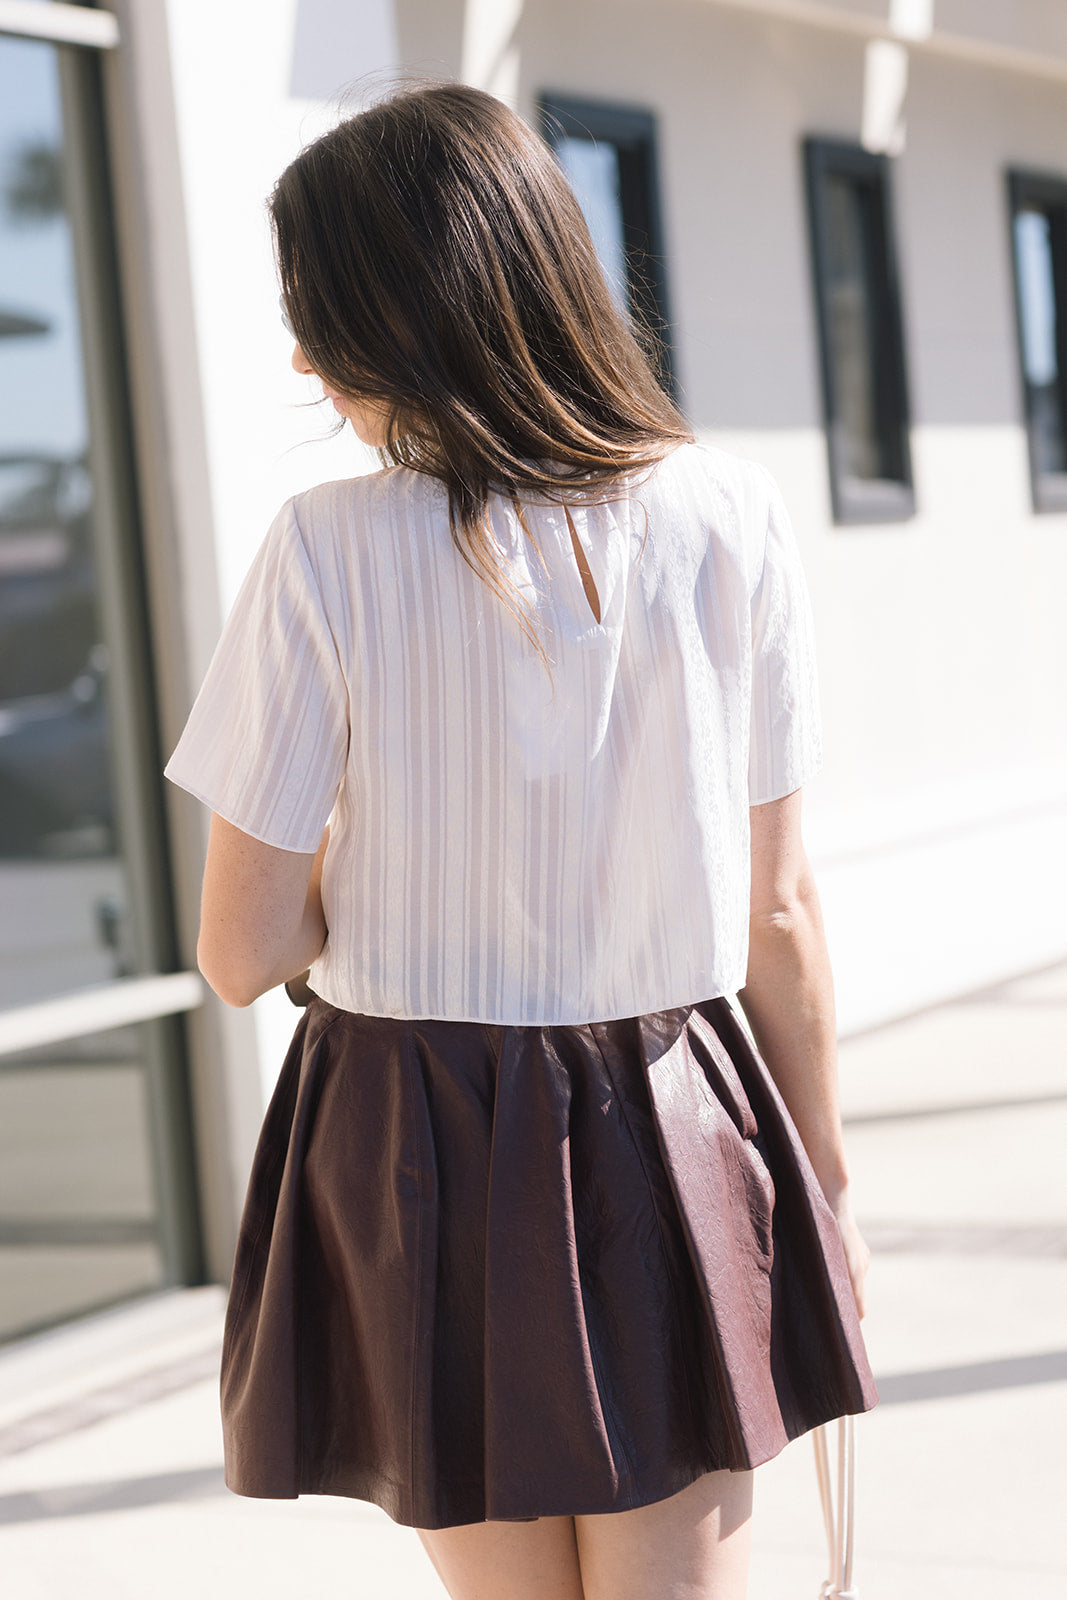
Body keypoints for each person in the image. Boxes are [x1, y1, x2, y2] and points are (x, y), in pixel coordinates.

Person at [165, 82, 877, 1600]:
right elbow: (783, 914)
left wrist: (359, 877)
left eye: (322, 316)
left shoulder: (323, 550)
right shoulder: (730, 517)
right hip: (671, 1119)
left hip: (414, 1131)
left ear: (389, 322)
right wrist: (819, 1183)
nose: (301, 357)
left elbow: (238, 953)